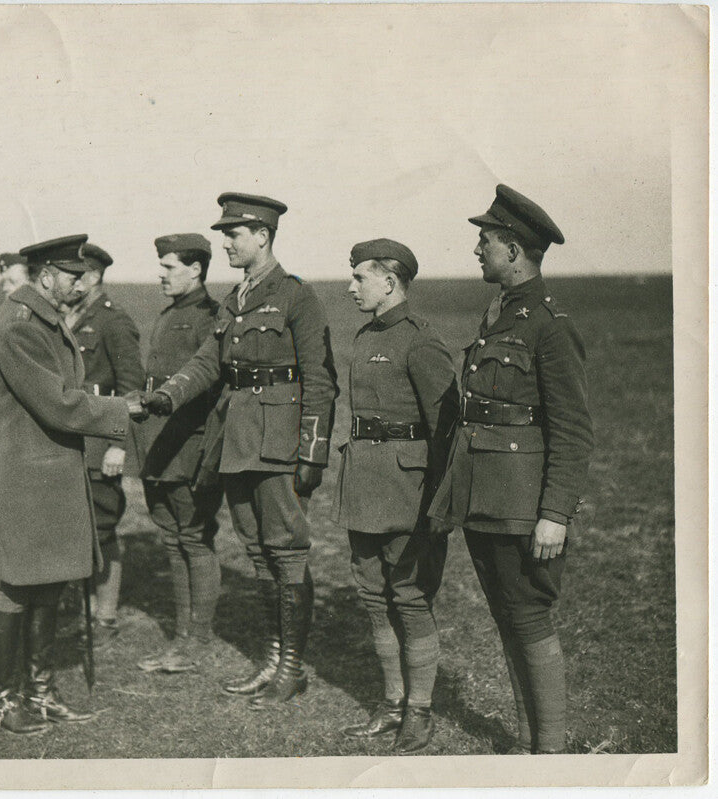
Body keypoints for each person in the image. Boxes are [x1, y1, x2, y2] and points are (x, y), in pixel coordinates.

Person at [144, 192, 338, 707]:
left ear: (262, 236)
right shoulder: (236, 299)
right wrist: (168, 395)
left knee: (287, 553)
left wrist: (312, 453)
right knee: (258, 553)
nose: (224, 242)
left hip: (279, 446)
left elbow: (320, 379)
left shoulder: (296, 296)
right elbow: (209, 362)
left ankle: (291, 669)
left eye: (233, 234)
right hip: (239, 441)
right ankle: (273, 662)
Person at [429, 185, 593, 754]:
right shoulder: (498, 313)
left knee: (528, 616)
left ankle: (550, 753)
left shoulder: (547, 324)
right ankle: (527, 744)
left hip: (524, 506)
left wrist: (555, 514)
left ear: (515, 250)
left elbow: (572, 429)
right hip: (485, 496)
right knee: (507, 615)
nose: (478, 250)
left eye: (486, 241)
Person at [0, 234, 147, 736]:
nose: (80, 283)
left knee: (46, 586)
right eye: (72, 275)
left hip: (45, 475)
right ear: (46, 275)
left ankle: (38, 693)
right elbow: (58, 403)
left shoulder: (43, 319)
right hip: (25, 479)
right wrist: (121, 409)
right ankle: (0, 702)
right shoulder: (20, 327)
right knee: (16, 588)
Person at [332, 239, 458, 753]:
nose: (350, 286)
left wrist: (440, 504)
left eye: (360, 277)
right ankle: (390, 702)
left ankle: (420, 711)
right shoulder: (365, 337)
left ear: (390, 281)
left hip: (409, 489)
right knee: (371, 593)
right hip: (365, 481)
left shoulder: (420, 342)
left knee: (408, 596)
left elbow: (448, 429)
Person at [133, 233, 224, 674]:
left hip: (191, 445)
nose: (161, 274)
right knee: (172, 539)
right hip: (160, 444)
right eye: (162, 266)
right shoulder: (170, 314)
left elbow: (211, 385)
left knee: (193, 538)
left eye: (170, 267)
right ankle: (182, 639)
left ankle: (198, 641)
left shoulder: (212, 316)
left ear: (196, 270)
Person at [62, 243, 144, 646]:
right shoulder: (64, 315)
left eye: (77, 275)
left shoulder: (114, 322)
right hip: (67, 440)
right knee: (70, 526)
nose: (70, 282)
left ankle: (105, 616)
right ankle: (75, 609)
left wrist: (118, 446)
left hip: (99, 443)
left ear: (94, 277)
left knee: (102, 528)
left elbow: (131, 392)